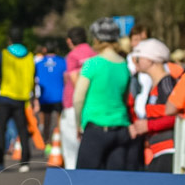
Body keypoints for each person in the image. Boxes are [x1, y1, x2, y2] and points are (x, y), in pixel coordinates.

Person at [73, 19, 138, 170]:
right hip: (121, 129)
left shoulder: (92, 64)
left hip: (96, 129)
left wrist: (78, 124)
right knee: (114, 184)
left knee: (84, 179)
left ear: (96, 39)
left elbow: (78, 98)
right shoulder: (123, 65)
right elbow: (124, 97)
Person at [128, 39, 178, 172]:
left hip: (169, 150)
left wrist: (148, 126)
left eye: (138, 57)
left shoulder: (167, 84)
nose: (134, 61)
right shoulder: (154, 86)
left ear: (151, 60)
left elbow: (178, 118)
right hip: (157, 150)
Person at [0, 27, 35, 172]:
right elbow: (33, 78)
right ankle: (25, 162)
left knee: (1, 130)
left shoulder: (3, 54)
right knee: (22, 130)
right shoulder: (29, 56)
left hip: (5, 96)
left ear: (9, 39)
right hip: (21, 98)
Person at [59, 26, 96, 170]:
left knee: (71, 150)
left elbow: (76, 83)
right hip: (93, 104)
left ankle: (73, 181)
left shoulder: (72, 56)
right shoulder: (94, 54)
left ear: (69, 41)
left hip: (74, 106)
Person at [34, 43, 66, 146]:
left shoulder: (39, 63)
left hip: (45, 96)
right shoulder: (62, 61)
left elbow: (34, 80)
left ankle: (46, 142)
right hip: (59, 95)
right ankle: (60, 142)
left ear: (44, 50)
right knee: (60, 121)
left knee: (46, 121)